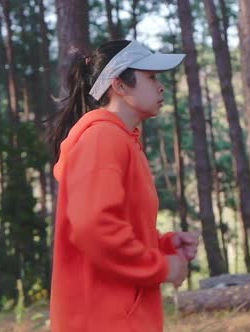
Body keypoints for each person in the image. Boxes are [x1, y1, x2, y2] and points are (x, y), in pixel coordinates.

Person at [48, 40, 198, 332]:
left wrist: (163, 244)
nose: (160, 86)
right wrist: (162, 267)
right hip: (105, 320)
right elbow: (94, 227)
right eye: (151, 77)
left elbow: (118, 225)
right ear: (120, 85)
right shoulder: (103, 139)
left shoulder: (124, 142)